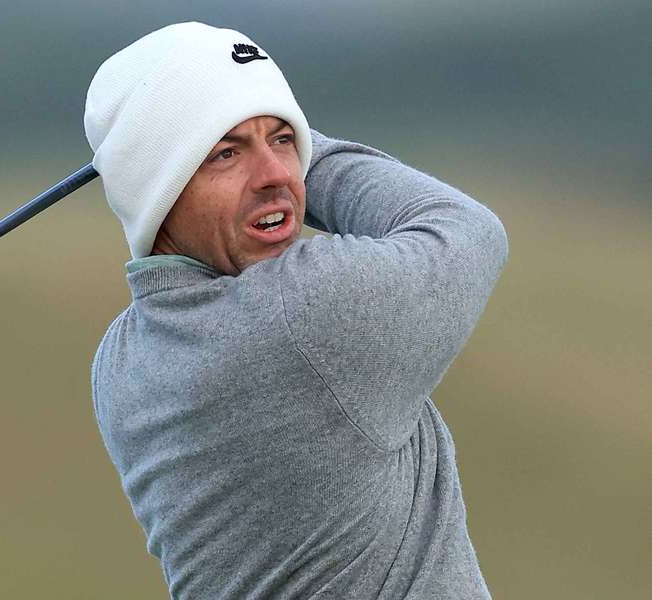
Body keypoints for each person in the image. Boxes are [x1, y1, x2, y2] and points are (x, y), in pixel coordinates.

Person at [85, 22, 508, 600]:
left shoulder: (120, 358)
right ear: (158, 191)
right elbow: (466, 231)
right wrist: (307, 141)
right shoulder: (303, 312)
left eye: (283, 140)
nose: (277, 175)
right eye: (225, 153)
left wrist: (221, 120)